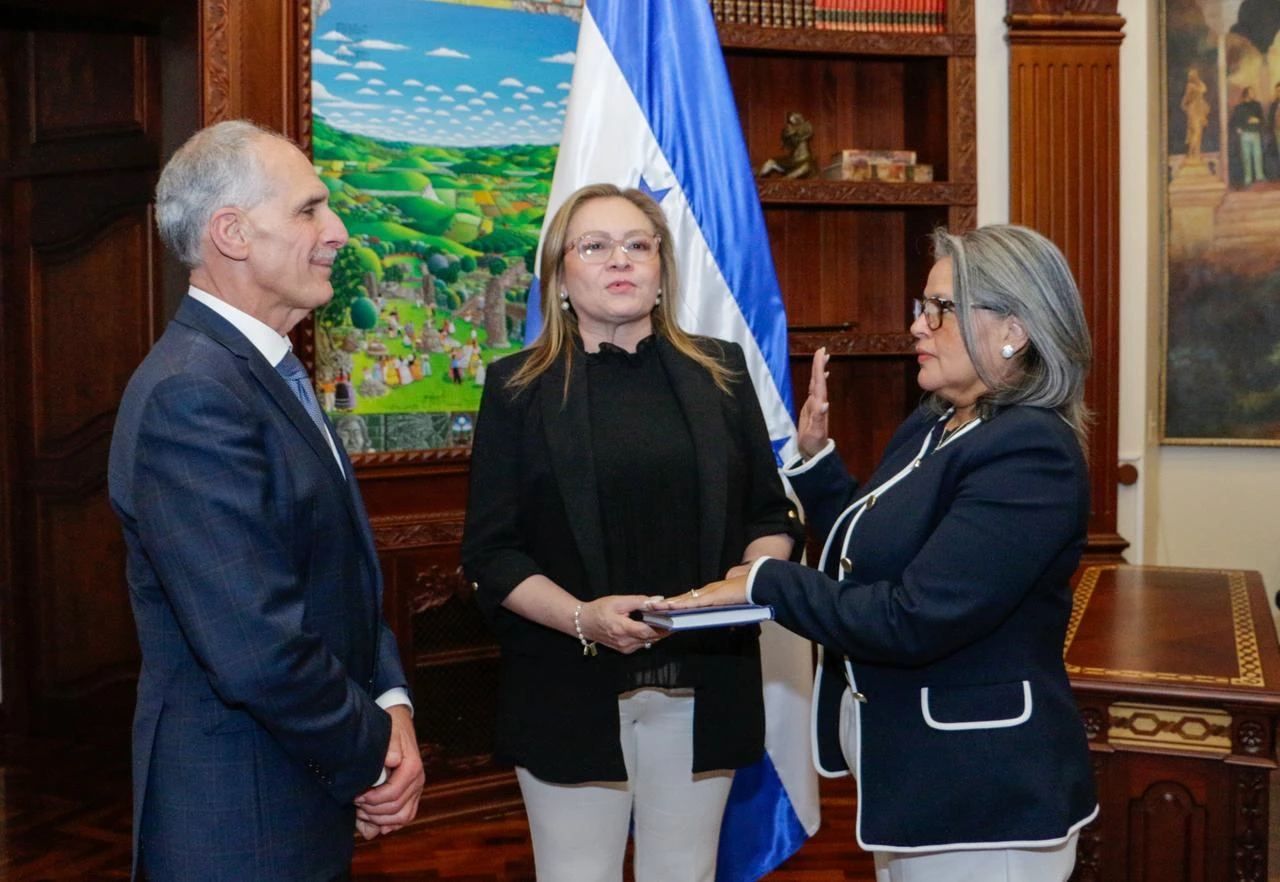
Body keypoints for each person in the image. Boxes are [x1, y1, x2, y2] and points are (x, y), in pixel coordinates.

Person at [655, 224, 1099, 881]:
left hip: (982, 795)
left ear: (1014, 329)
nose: (917, 326)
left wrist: (765, 583)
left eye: (940, 309)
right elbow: (872, 554)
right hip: (911, 773)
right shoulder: (938, 420)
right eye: (922, 306)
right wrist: (817, 465)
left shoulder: (1030, 453)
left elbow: (914, 615)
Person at [107, 120, 424, 881]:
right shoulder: (194, 392)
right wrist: (375, 751)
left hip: (294, 789)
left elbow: (343, 570)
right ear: (232, 234)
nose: (338, 231)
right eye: (310, 209)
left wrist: (393, 703)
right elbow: (256, 647)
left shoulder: (262, 368)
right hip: (239, 819)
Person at [461, 183, 802, 882]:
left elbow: (771, 515)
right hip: (567, 682)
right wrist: (585, 617)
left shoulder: (722, 371)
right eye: (595, 246)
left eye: (637, 245)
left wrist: (742, 581)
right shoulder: (517, 388)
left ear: (660, 268)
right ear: (559, 274)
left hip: (703, 679)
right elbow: (492, 552)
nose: (620, 260)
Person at [1232, 86, 1265, 186]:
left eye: (1253, 92)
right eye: (1251, 92)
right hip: (1245, 134)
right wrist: (1238, 128)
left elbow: (1262, 119)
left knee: (1257, 156)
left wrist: (1257, 120)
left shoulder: (1257, 105)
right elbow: (1235, 121)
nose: (1253, 94)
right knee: (1246, 157)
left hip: (1255, 133)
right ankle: (1248, 178)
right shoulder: (1239, 107)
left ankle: (1259, 176)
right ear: (1246, 94)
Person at [1181, 67, 1210, 163]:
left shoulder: (1199, 84)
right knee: (1196, 132)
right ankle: (1190, 153)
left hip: (1200, 108)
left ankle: (1196, 153)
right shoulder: (1190, 86)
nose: (1193, 76)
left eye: (1194, 74)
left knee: (1199, 133)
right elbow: (1186, 99)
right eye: (1191, 75)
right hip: (1193, 109)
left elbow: (1204, 89)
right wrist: (1186, 106)